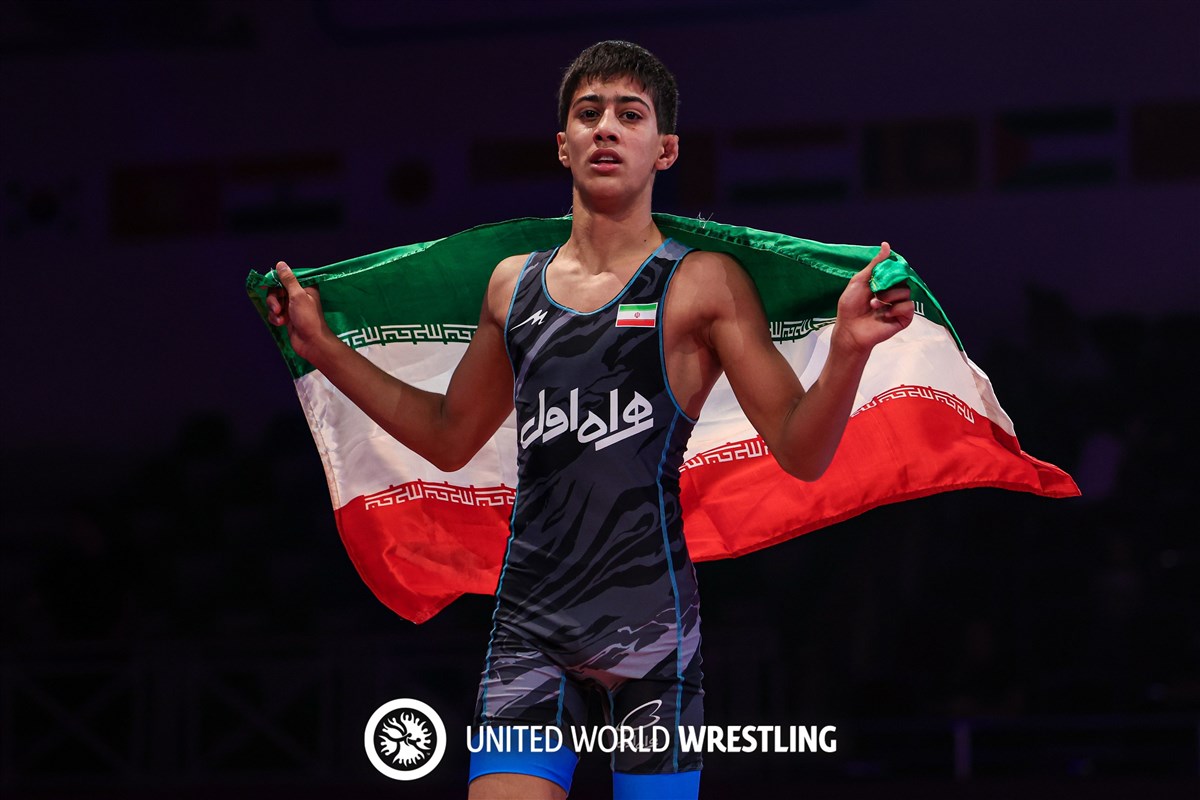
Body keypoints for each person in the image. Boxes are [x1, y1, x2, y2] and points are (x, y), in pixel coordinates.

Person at [267, 40, 912, 800]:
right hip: (530, 628)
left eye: (630, 115)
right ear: (563, 143)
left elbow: (801, 451)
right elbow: (447, 435)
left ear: (665, 149)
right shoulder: (512, 287)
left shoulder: (703, 284)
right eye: (589, 112)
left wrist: (847, 350)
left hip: (653, 637)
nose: (606, 127)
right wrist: (321, 348)